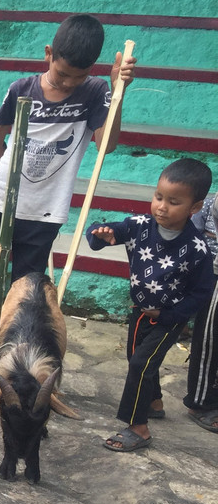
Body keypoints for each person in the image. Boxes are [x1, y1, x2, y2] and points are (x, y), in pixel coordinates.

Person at [0, 13, 137, 373]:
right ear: (48, 53)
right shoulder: (22, 88)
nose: (68, 83)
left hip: (45, 211)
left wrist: (116, 90)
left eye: (78, 77)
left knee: (27, 293)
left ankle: (11, 355)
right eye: (62, 73)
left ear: (91, 70)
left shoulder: (95, 92)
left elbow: (105, 145)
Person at [86, 158, 216, 452]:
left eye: (174, 202)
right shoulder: (139, 226)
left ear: (194, 208)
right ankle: (154, 402)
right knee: (138, 358)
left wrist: (172, 314)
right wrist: (100, 234)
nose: (162, 207)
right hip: (139, 311)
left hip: (169, 318)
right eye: (158, 197)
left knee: (142, 362)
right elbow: (107, 231)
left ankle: (138, 427)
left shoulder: (197, 249)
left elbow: (202, 292)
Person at [183, 190, 218, 433]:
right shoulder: (211, 203)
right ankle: (201, 401)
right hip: (214, 275)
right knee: (210, 340)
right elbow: (192, 237)